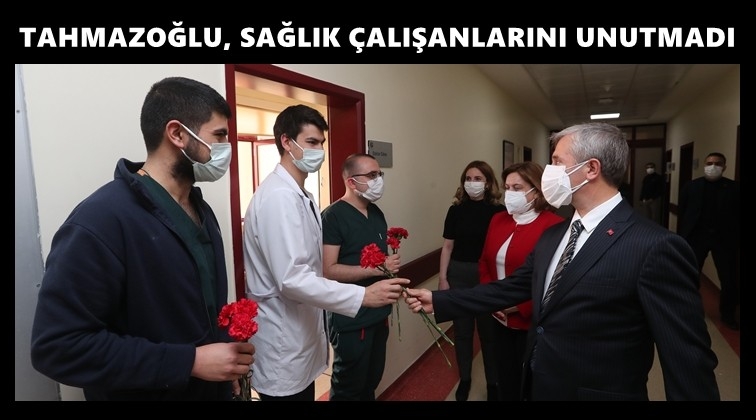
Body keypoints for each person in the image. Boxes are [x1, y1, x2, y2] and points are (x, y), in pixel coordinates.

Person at [406, 122, 720, 401]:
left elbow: (688, 360)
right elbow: (513, 287)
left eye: (557, 161)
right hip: (540, 384)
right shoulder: (555, 234)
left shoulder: (655, 246)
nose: (549, 171)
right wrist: (441, 300)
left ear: (591, 169)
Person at [30, 76, 255, 401]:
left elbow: (202, 308)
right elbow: (58, 347)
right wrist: (189, 362)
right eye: (219, 136)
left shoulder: (201, 211)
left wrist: (223, 367)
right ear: (177, 134)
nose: (226, 148)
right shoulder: (101, 221)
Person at [243, 104, 409, 401]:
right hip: (284, 341)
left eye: (321, 143)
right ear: (286, 141)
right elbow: (292, 278)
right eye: (311, 142)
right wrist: (362, 296)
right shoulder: (279, 198)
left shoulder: (301, 196)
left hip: (303, 334)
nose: (319, 150)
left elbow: (311, 265)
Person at [478, 162, 563, 401]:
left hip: (532, 321)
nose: (510, 193)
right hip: (498, 317)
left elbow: (554, 279)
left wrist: (519, 306)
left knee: (533, 384)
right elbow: (484, 262)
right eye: (507, 187)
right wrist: (492, 298)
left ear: (536, 191)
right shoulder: (497, 220)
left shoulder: (554, 225)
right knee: (506, 379)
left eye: (517, 188)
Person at [320, 153, 399, 401]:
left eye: (379, 174)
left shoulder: (376, 213)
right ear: (351, 182)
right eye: (372, 175)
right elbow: (328, 269)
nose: (379, 180)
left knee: (371, 381)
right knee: (349, 387)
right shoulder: (333, 216)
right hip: (351, 317)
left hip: (379, 314)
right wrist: (378, 269)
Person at [439, 160, 505, 401]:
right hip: (459, 275)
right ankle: (465, 379)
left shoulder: (499, 212)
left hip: (486, 276)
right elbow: (447, 246)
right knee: (463, 332)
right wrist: (443, 278)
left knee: (489, 334)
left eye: (478, 179)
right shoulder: (455, 210)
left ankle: (493, 382)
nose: (472, 183)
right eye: (468, 179)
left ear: (488, 183)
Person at [678, 152, 740, 330]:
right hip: (696, 237)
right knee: (689, 276)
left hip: (724, 240)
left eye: (717, 163)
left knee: (729, 279)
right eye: (709, 163)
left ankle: (728, 314)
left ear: (724, 167)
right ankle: (688, 310)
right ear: (705, 165)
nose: (713, 166)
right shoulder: (692, 186)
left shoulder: (734, 188)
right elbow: (683, 211)